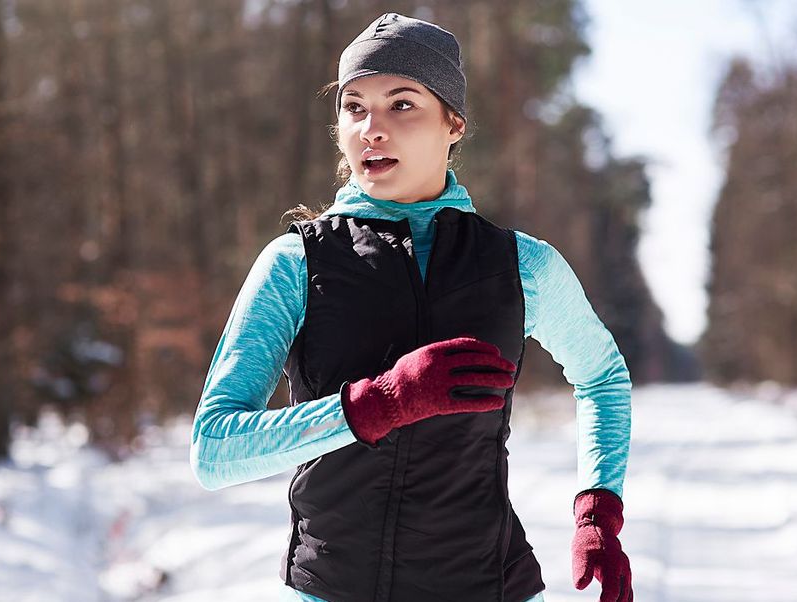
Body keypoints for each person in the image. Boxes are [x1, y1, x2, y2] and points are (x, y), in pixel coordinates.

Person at [190, 12, 633, 602]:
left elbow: (602, 377)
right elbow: (215, 449)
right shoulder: (297, 263)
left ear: (453, 123)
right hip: (333, 587)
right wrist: (375, 406)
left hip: (489, 586)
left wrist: (597, 504)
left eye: (402, 105)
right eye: (354, 106)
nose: (372, 128)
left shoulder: (521, 265)